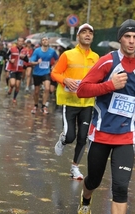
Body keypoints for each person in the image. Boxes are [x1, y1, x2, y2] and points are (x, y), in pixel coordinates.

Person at [76, 19, 135, 214]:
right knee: (94, 181)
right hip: (100, 135)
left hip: (126, 137)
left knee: (121, 186)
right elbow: (82, 90)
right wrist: (109, 85)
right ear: (120, 39)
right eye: (127, 37)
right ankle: (86, 196)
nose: (131, 41)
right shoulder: (107, 61)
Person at [51, 23, 99, 180]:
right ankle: (63, 140)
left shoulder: (96, 57)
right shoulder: (68, 55)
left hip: (87, 103)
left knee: (83, 137)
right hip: (70, 101)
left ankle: (75, 168)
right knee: (71, 136)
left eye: (90, 33)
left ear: (92, 37)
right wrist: (65, 80)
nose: (87, 35)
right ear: (78, 36)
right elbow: (55, 73)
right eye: (83, 32)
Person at [29, 36, 59, 114]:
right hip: (37, 73)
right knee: (36, 91)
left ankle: (43, 106)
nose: (45, 41)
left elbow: (57, 59)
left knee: (47, 89)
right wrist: (37, 62)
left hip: (46, 72)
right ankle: (35, 105)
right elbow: (31, 61)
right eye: (43, 40)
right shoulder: (37, 51)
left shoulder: (52, 51)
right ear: (41, 42)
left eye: (46, 39)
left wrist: (54, 66)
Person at [6, 37, 28, 103]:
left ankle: (14, 98)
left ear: (23, 42)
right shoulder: (12, 49)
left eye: (22, 41)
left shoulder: (25, 50)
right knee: (12, 84)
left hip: (20, 69)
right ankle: (11, 88)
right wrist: (10, 60)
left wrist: (23, 58)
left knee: (18, 85)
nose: (20, 42)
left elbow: (27, 60)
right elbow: (6, 56)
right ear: (17, 42)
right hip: (13, 68)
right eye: (19, 41)